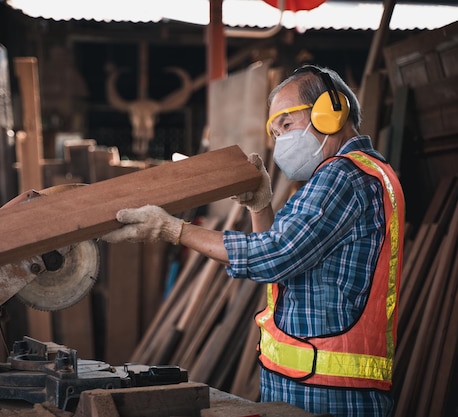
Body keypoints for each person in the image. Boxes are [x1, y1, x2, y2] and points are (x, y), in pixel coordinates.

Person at [102, 65, 405, 417]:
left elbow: (274, 255)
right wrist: (261, 208)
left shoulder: (343, 176)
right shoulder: (361, 172)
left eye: (287, 125)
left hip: (327, 395)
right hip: (311, 384)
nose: (281, 142)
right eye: (275, 133)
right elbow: (283, 263)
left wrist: (173, 230)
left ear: (330, 113)